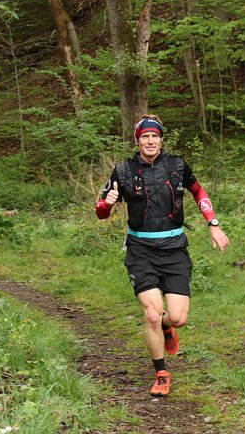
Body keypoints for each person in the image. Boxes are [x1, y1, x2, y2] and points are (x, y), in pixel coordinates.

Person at [95, 114, 229, 396]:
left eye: (155, 136)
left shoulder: (177, 166)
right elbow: (101, 212)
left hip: (174, 248)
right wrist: (106, 205)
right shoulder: (122, 171)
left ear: (161, 139)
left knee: (177, 318)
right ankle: (161, 372)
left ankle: (169, 328)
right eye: (144, 136)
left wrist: (213, 223)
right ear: (137, 140)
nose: (150, 141)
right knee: (153, 314)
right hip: (140, 250)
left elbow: (198, 191)